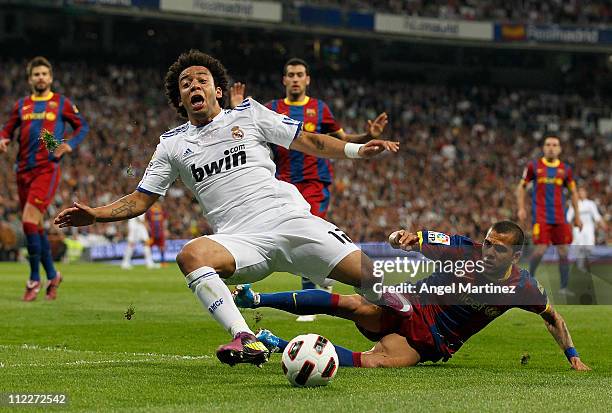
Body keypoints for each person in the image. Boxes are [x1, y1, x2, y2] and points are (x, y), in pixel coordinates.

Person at [54, 50, 399, 367]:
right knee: (191, 254)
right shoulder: (172, 145)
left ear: (218, 90)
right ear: (180, 98)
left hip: (290, 220)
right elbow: (141, 198)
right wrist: (96, 214)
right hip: (239, 240)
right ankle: (246, 337)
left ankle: (402, 321)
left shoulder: (249, 114)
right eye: (185, 83)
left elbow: (308, 141)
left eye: (202, 79)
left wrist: (356, 151)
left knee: (368, 276)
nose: (194, 85)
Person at [234, 221, 591, 371]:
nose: (487, 252)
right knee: (353, 304)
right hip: (414, 304)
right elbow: (414, 239)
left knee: (376, 362)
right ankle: (256, 300)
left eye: (497, 250)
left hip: (435, 340)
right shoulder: (462, 250)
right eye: (486, 243)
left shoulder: (523, 287)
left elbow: (553, 318)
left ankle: (276, 343)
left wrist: (572, 356)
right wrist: (400, 238)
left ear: (514, 257)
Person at [230, 58, 388, 321]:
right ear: (284, 80)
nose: (294, 78)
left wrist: (367, 136)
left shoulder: (319, 109)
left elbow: (342, 139)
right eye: (290, 74)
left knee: (304, 231)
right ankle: (322, 275)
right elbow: (244, 129)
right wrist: (238, 109)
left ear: (307, 79)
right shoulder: (271, 108)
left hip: (314, 182)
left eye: (299, 74)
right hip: (281, 183)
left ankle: (311, 296)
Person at [0, 56, 89, 301]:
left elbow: (82, 126)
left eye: (44, 74)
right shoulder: (22, 105)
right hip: (22, 171)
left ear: (50, 78)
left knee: (28, 222)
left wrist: (70, 145)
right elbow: (7, 128)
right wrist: (4, 138)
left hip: (47, 169)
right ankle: (52, 275)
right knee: (35, 226)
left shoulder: (61, 103)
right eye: (36, 74)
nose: (40, 77)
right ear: (30, 79)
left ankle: (33, 278)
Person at [516, 136, 582, 296]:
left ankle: (564, 287)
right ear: (543, 148)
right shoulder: (534, 166)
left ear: (559, 149)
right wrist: (521, 208)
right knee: (539, 250)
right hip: (541, 217)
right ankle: (527, 282)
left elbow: (573, 192)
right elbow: (521, 186)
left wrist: (577, 216)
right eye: (548, 145)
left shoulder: (566, 169)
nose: (551, 147)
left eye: (555, 145)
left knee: (563, 252)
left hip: (560, 217)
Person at [566, 187, 607, 272]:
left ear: (586, 193)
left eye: (583, 191)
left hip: (589, 228)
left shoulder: (590, 204)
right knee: (579, 248)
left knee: (589, 249)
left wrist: (603, 225)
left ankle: (585, 264)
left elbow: (597, 216)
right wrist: (571, 227)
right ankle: (580, 266)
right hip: (578, 229)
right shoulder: (574, 203)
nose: (581, 193)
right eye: (580, 192)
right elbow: (568, 218)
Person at [145, 200, 168, 266]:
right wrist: (147, 230)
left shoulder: (162, 210)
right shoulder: (149, 211)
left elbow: (165, 221)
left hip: (160, 232)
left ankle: (163, 261)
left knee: (162, 247)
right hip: (152, 233)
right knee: (149, 247)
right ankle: (150, 261)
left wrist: (166, 230)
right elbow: (146, 221)